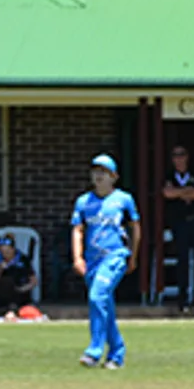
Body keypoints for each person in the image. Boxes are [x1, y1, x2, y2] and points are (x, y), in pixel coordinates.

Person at [71, 153, 140, 368]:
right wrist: (77, 257)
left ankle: (94, 350)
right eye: (95, 172)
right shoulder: (83, 202)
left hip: (115, 256)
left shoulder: (124, 199)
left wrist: (132, 256)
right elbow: (77, 230)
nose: (99, 177)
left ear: (114, 176)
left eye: (104, 172)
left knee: (96, 296)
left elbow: (135, 228)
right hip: (92, 260)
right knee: (104, 304)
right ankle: (117, 353)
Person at [162, 143, 194, 310]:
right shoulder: (168, 175)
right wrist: (187, 191)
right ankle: (182, 298)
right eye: (176, 155)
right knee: (182, 260)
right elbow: (167, 193)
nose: (179, 158)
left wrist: (179, 192)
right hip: (179, 222)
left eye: (182, 154)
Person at [0, 231, 39, 317]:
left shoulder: (23, 260)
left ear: (13, 249)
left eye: (7, 251)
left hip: (19, 290)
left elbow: (33, 280)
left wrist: (22, 289)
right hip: (1, 292)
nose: (5, 254)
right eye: (2, 252)